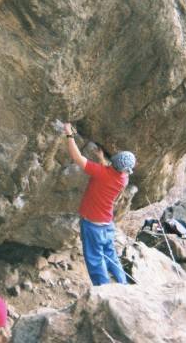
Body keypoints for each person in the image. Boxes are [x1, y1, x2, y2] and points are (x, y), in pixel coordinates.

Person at [63, 122, 135, 286]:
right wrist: (102, 159)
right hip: (107, 223)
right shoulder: (124, 179)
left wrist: (69, 134)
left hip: (93, 224)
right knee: (110, 254)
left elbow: (77, 157)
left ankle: (104, 289)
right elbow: (110, 172)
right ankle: (123, 284)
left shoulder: (102, 173)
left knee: (95, 258)